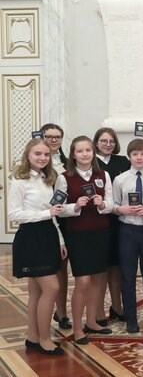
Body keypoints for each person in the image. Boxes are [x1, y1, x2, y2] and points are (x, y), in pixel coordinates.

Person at [9, 139, 67, 355]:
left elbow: (54, 213)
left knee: (36, 291)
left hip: (48, 234)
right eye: (37, 154)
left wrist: (60, 240)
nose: (42, 158)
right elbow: (13, 214)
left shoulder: (46, 178)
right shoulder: (19, 180)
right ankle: (44, 339)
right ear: (28, 155)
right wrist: (45, 213)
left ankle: (32, 337)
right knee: (52, 288)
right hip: (31, 237)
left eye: (46, 154)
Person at [57, 136, 114, 344]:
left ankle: (91, 321)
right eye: (79, 151)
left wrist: (102, 204)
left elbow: (111, 204)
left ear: (93, 152)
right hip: (78, 235)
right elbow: (58, 209)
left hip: (100, 232)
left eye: (88, 150)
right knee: (83, 281)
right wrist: (75, 206)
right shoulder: (64, 177)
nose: (84, 154)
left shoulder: (103, 174)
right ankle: (78, 328)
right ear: (73, 154)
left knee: (98, 279)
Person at [112, 138, 143, 333]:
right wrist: (121, 209)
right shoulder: (120, 179)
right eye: (135, 154)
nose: (139, 157)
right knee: (128, 276)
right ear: (129, 156)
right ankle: (131, 318)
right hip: (127, 230)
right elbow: (113, 205)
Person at [93, 127, 131, 325]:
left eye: (111, 141)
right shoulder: (91, 161)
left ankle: (117, 307)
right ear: (96, 142)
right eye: (103, 141)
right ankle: (98, 312)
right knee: (101, 268)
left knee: (117, 267)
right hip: (98, 220)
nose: (108, 144)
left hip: (119, 220)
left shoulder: (123, 161)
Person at [40, 123, 72, 330]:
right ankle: (41, 315)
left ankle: (61, 312)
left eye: (57, 137)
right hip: (44, 219)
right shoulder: (39, 163)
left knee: (62, 268)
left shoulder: (68, 163)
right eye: (49, 136)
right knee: (44, 272)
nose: (53, 140)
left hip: (67, 218)